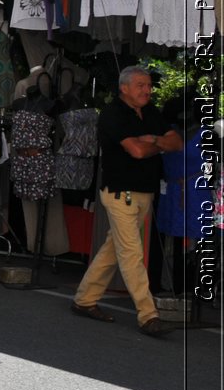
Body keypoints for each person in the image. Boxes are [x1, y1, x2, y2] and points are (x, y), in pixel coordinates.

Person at [70, 66, 181, 336]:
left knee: (113, 249)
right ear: (125, 88)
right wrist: (157, 143)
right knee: (132, 253)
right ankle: (148, 315)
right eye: (141, 85)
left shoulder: (151, 112)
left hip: (144, 192)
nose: (148, 90)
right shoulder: (112, 113)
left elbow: (176, 142)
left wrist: (152, 138)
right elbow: (137, 151)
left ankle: (84, 300)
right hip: (121, 193)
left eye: (148, 85)